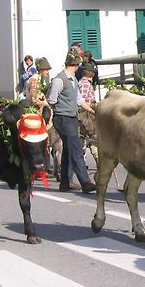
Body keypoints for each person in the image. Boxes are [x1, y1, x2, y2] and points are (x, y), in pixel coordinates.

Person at [42, 51, 96, 193]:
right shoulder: (60, 80)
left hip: (71, 118)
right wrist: (60, 107)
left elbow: (79, 100)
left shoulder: (73, 79)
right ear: (76, 65)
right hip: (62, 118)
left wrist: (93, 111)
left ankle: (65, 182)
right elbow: (52, 100)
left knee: (68, 149)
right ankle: (85, 182)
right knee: (76, 148)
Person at [78, 62, 98, 164]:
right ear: (92, 75)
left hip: (85, 115)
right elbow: (83, 100)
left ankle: (80, 163)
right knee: (92, 138)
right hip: (86, 115)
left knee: (83, 140)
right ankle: (99, 163)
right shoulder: (85, 84)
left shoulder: (81, 82)